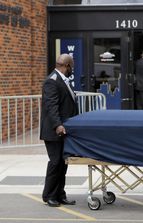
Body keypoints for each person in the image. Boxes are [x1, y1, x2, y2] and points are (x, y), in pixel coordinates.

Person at [40, 54, 78, 207]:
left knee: (63, 163)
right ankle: (49, 195)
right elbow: (51, 106)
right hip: (54, 131)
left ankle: (60, 194)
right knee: (55, 163)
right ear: (66, 66)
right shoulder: (52, 81)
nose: (72, 70)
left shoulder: (62, 79)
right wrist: (58, 125)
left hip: (63, 130)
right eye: (72, 67)